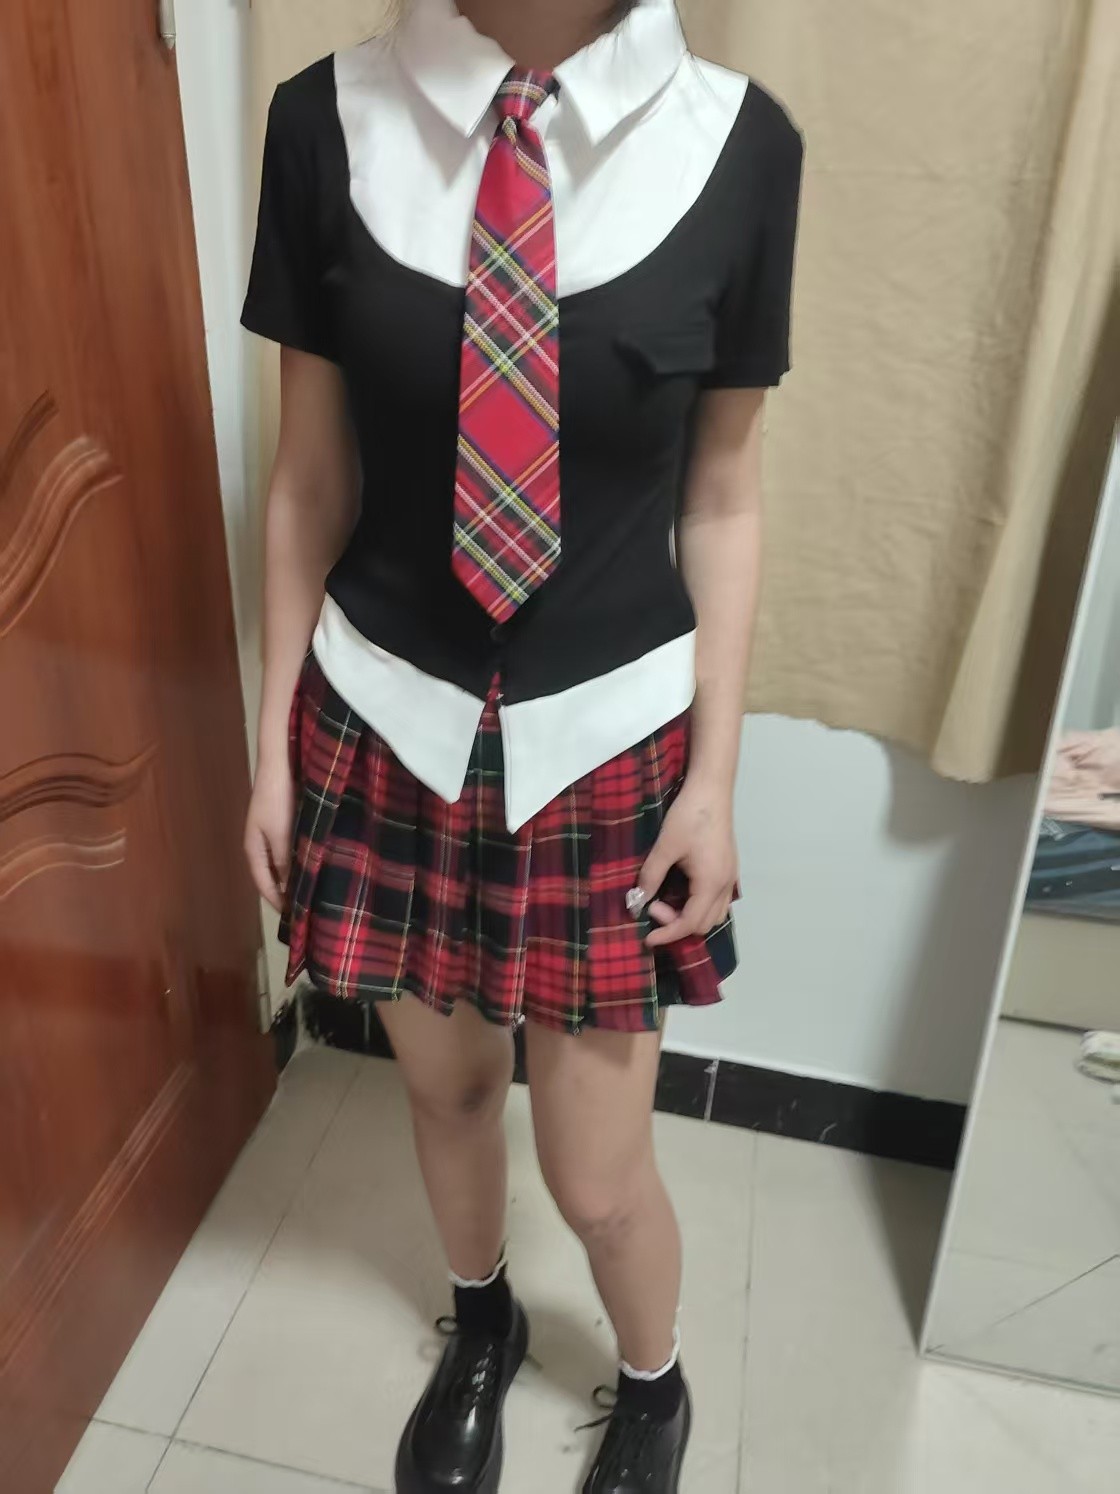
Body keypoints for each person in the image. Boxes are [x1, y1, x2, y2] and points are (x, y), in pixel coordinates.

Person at [241, 0, 802, 1488]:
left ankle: (655, 1386)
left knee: (599, 1175)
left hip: (610, 744)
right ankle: (480, 1321)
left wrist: (716, 781)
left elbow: (725, 498)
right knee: (444, 1093)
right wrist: (271, 746)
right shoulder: (322, 122)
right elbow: (307, 478)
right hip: (387, 715)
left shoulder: (739, 147)